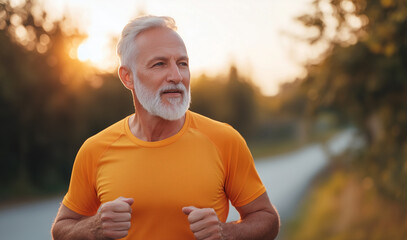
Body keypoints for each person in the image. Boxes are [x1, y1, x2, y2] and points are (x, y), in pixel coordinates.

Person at [51, 15, 280, 240]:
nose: (176, 76)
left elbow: (267, 219)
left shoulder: (224, 140)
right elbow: (61, 229)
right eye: (159, 64)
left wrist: (226, 233)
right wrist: (93, 228)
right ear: (127, 77)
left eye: (182, 63)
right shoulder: (95, 149)